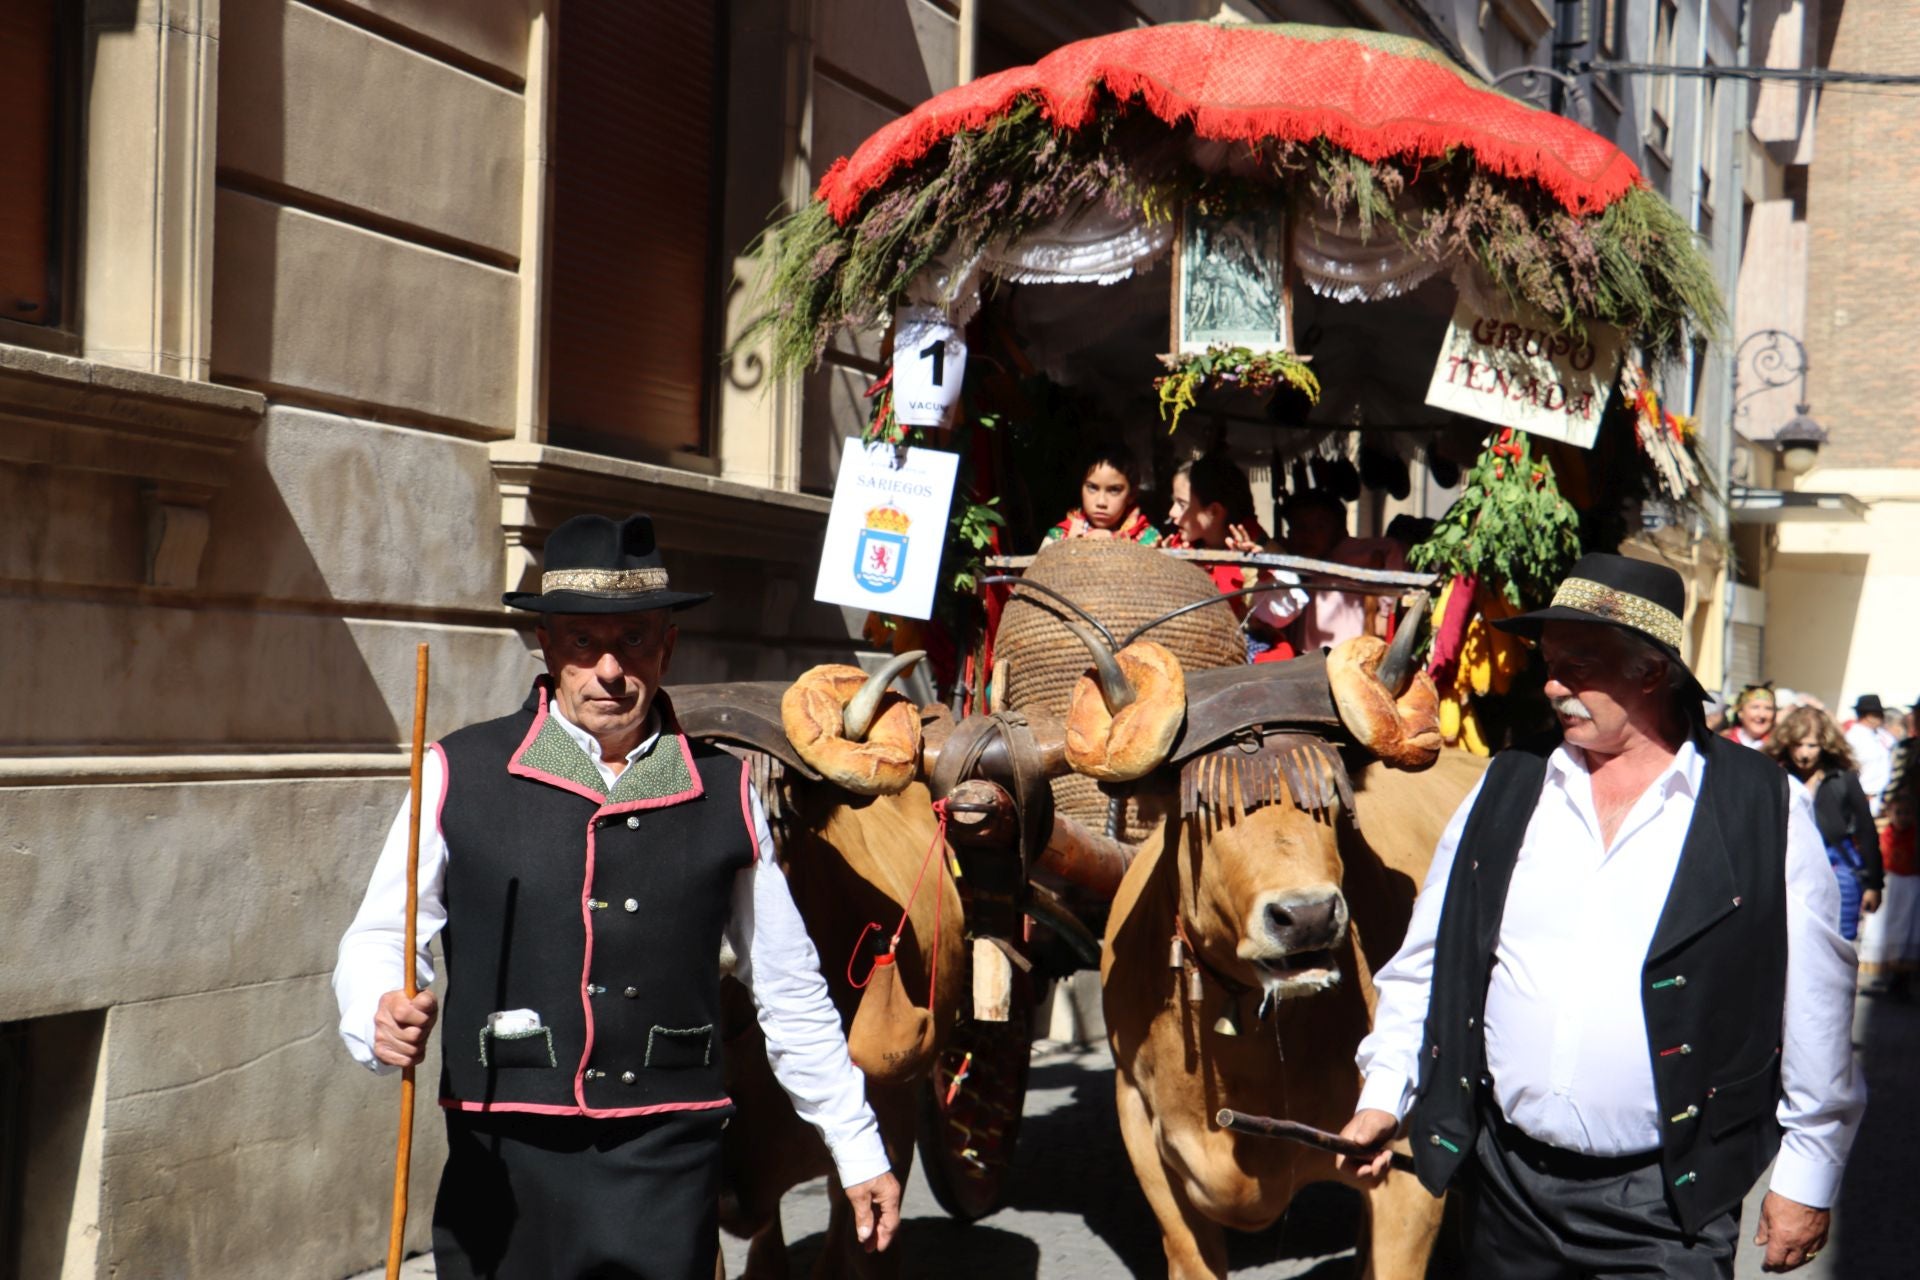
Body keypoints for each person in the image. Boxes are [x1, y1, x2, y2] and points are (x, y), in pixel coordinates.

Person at [333, 513, 900, 1279]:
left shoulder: (727, 794)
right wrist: (380, 1007)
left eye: (632, 640)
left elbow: (789, 987)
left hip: (664, 1165)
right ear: (547, 648)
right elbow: (379, 937)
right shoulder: (455, 772)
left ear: (667, 646)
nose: (609, 668)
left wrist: (857, 1145)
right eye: (582, 643)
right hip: (503, 1165)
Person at [1337, 553, 1865, 1278]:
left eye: (1580, 665)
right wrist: (1383, 1095)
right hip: (1505, 1188)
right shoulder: (1505, 788)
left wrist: (1807, 1173)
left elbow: (1817, 1009)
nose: (1553, 685)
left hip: (1668, 1204)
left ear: (1651, 672)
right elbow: (1429, 963)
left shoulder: (1764, 807)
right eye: (1550, 664)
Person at [1164, 454, 1307, 661]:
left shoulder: (1261, 550)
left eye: (1182, 504)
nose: (1172, 512)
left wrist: (1261, 571)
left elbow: (1282, 615)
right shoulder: (1180, 546)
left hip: (1244, 654)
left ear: (1214, 511)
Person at [1767, 704, 1884, 940]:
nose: (1804, 753)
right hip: (1788, 866)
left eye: (1812, 745)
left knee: (1839, 937)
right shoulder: (1776, 776)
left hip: (1838, 864)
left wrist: (1874, 883)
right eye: (1797, 744)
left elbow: (1866, 829)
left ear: (1825, 745)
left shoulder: (1843, 777)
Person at [1281, 488, 1407, 652]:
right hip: (1304, 657)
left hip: (1349, 655)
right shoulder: (1289, 560)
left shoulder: (1353, 553)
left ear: (1340, 530)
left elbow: (1394, 549)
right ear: (1289, 532)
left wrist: (1384, 613)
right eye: (1299, 527)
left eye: (1319, 527)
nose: (1307, 535)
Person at [1042, 442, 1163, 546]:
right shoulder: (1059, 537)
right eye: (1092, 488)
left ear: (1132, 495)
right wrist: (1068, 548)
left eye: (1114, 490)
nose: (1101, 502)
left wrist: (1114, 545)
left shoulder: (1148, 540)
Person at [1843, 694, 1897, 817]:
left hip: (1880, 799)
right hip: (1864, 797)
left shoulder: (1880, 735)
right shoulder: (1853, 738)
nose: (1880, 718)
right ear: (1867, 716)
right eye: (1877, 714)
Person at [1723, 682, 1776, 749]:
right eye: (1755, 707)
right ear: (1740, 712)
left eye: (1768, 708)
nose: (1762, 715)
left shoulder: (1778, 748)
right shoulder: (1724, 742)